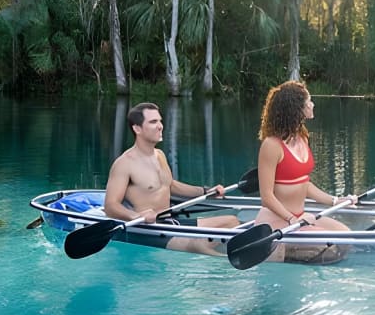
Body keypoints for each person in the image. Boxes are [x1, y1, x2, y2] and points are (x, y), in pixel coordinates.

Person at [104, 102, 239, 255]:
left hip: (171, 223)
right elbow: (110, 206)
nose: (160, 126)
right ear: (137, 129)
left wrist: (205, 191)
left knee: (231, 222)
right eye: (153, 122)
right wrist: (136, 215)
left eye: (160, 121)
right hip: (148, 230)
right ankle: (227, 269)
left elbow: (170, 185)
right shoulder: (124, 164)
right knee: (198, 245)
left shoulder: (159, 155)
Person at [255, 81, 357, 262]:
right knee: (330, 248)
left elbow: (304, 184)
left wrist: (335, 200)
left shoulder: (302, 137)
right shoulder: (271, 146)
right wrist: (291, 219)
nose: (312, 104)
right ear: (296, 109)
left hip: (300, 218)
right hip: (278, 222)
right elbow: (266, 196)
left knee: (346, 236)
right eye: (308, 101)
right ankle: (282, 251)